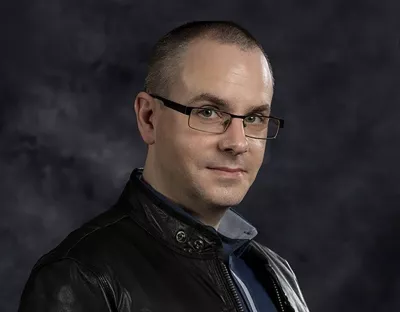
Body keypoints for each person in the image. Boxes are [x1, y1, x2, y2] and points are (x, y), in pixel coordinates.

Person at [18, 21, 310, 312]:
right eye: (208, 112)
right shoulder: (82, 278)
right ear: (148, 118)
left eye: (254, 118)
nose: (238, 143)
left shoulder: (275, 272)